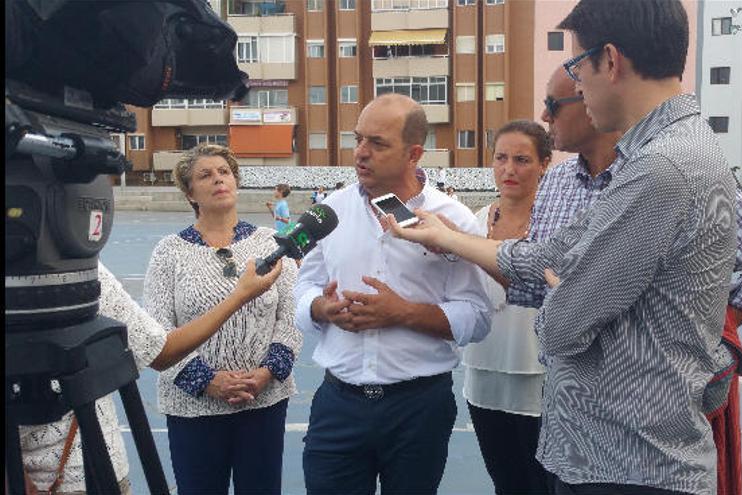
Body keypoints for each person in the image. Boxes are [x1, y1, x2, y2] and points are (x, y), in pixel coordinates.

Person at [390, 1, 739, 493]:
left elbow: (559, 329)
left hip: (628, 463)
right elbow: (550, 258)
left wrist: (563, 289)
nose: (575, 86)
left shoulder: (658, 171)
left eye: (577, 67)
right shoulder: (669, 151)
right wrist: (447, 236)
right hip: (616, 454)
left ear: (611, 61)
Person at [522, 64, 742, 495]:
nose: (545, 117)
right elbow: (543, 267)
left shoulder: (663, 172)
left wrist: (710, 336)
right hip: (577, 429)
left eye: (555, 104)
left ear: (608, 71)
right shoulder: (558, 182)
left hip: (641, 448)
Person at [293, 94, 491, 495]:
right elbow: (304, 285)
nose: (361, 153)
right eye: (358, 139)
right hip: (338, 403)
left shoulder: (453, 220)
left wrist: (402, 313)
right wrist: (321, 308)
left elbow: (478, 317)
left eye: (378, 144)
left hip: (417, 408)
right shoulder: (330, 212)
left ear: (413, 153)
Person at [19, 260, 283, 494]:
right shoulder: (78, 264)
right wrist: (240, 296)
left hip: (98, 466)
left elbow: (157, 348)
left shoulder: (82, 267)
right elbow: (160, 351)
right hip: (75, 470)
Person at [144, 144, 302, 494]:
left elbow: (290, 320)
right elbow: (157, 334)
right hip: (193, 408)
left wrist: (266, 373)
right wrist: (207, 381)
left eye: (224, 172)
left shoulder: (270, 243)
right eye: (205, 175)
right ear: (190, 192)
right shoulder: (169, 253)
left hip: (263, 402)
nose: (218, 179)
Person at [461, 120, 552, 495]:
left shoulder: (556, 221)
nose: (509, 170)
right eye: (500, 158)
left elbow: (541, 288)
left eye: (522, 159)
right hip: (483, 373)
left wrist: (475, 252)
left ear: (545, 163)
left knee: (542, 485)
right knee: (505, 483)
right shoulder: (477, 220)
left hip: (538, 374)